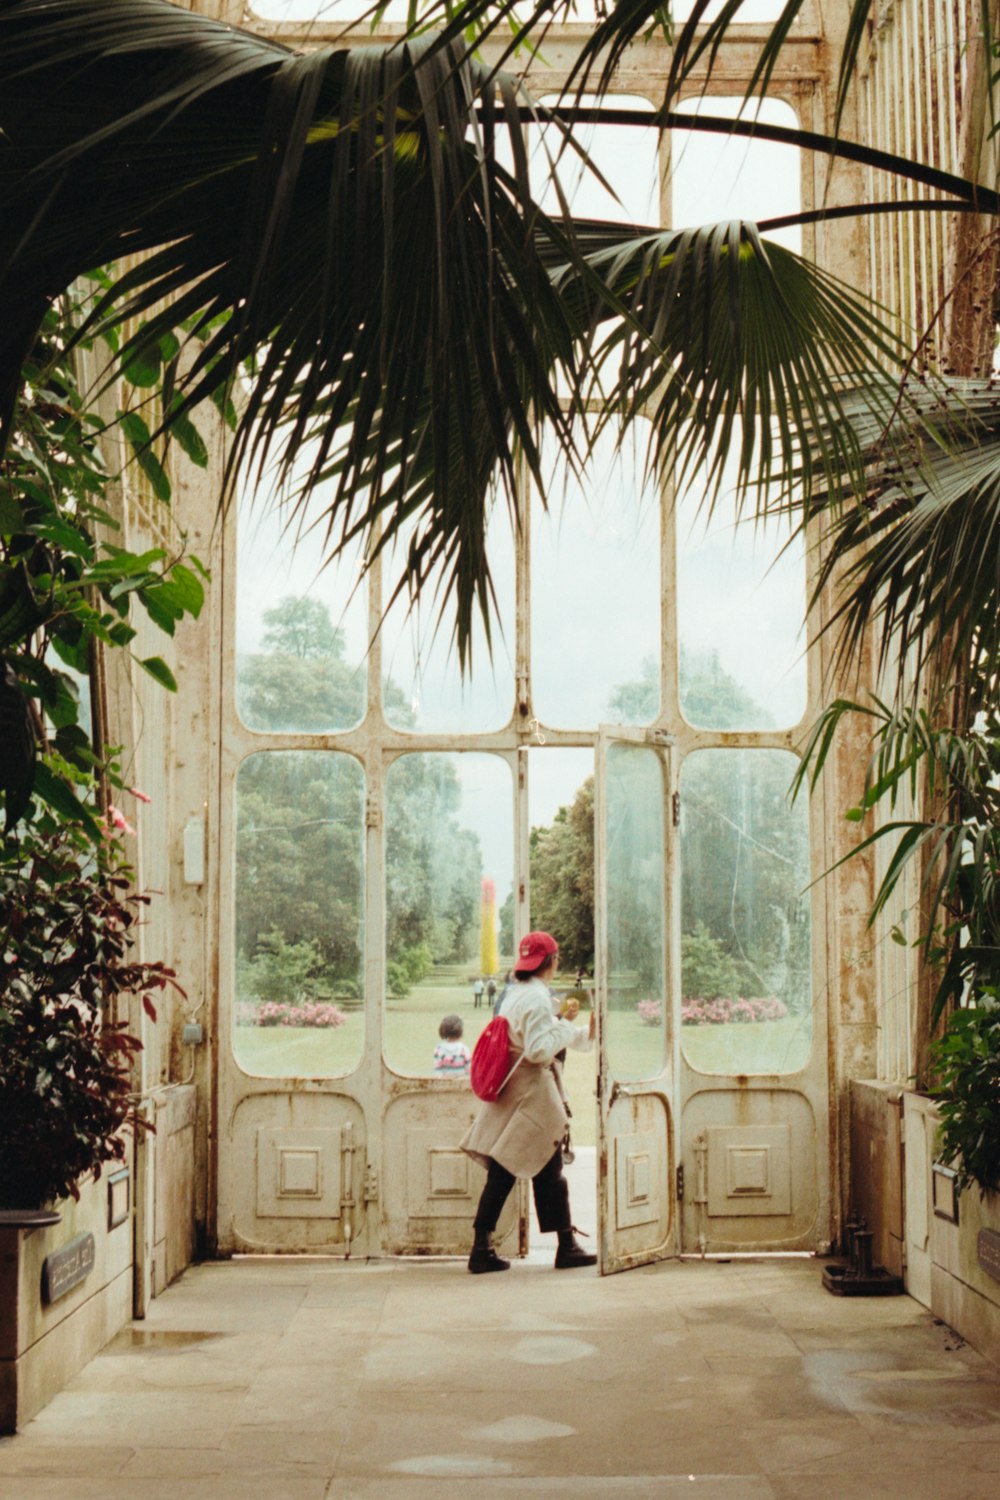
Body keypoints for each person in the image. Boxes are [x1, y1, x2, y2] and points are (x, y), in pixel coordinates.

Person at [461, 930, 596, 1273]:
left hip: (516, 1094)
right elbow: (537, 1050)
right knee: (536, 1171)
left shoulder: (517, 994)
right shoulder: (536, 998)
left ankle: (491, 1246)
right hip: (531, 1096)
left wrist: (575, 1029)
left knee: (528, 1171)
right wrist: (567, 1026)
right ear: (551, 961)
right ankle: (561, 1246)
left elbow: (542, 1037)